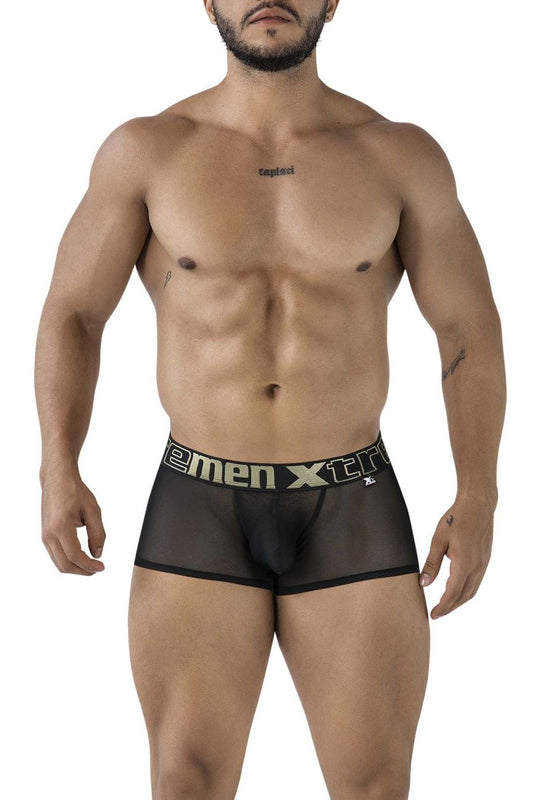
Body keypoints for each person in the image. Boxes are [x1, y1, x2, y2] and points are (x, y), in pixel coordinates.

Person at [34, 2, 506, 798]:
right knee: (186, 783)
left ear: (333, 1)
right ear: (206, 2)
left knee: (375, 787)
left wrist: (479, 491)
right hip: (200, 499)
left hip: (349, 498)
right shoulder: (148, 151)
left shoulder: (397, 156)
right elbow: (74, 314)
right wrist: (57, 464)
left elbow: (466, 328)